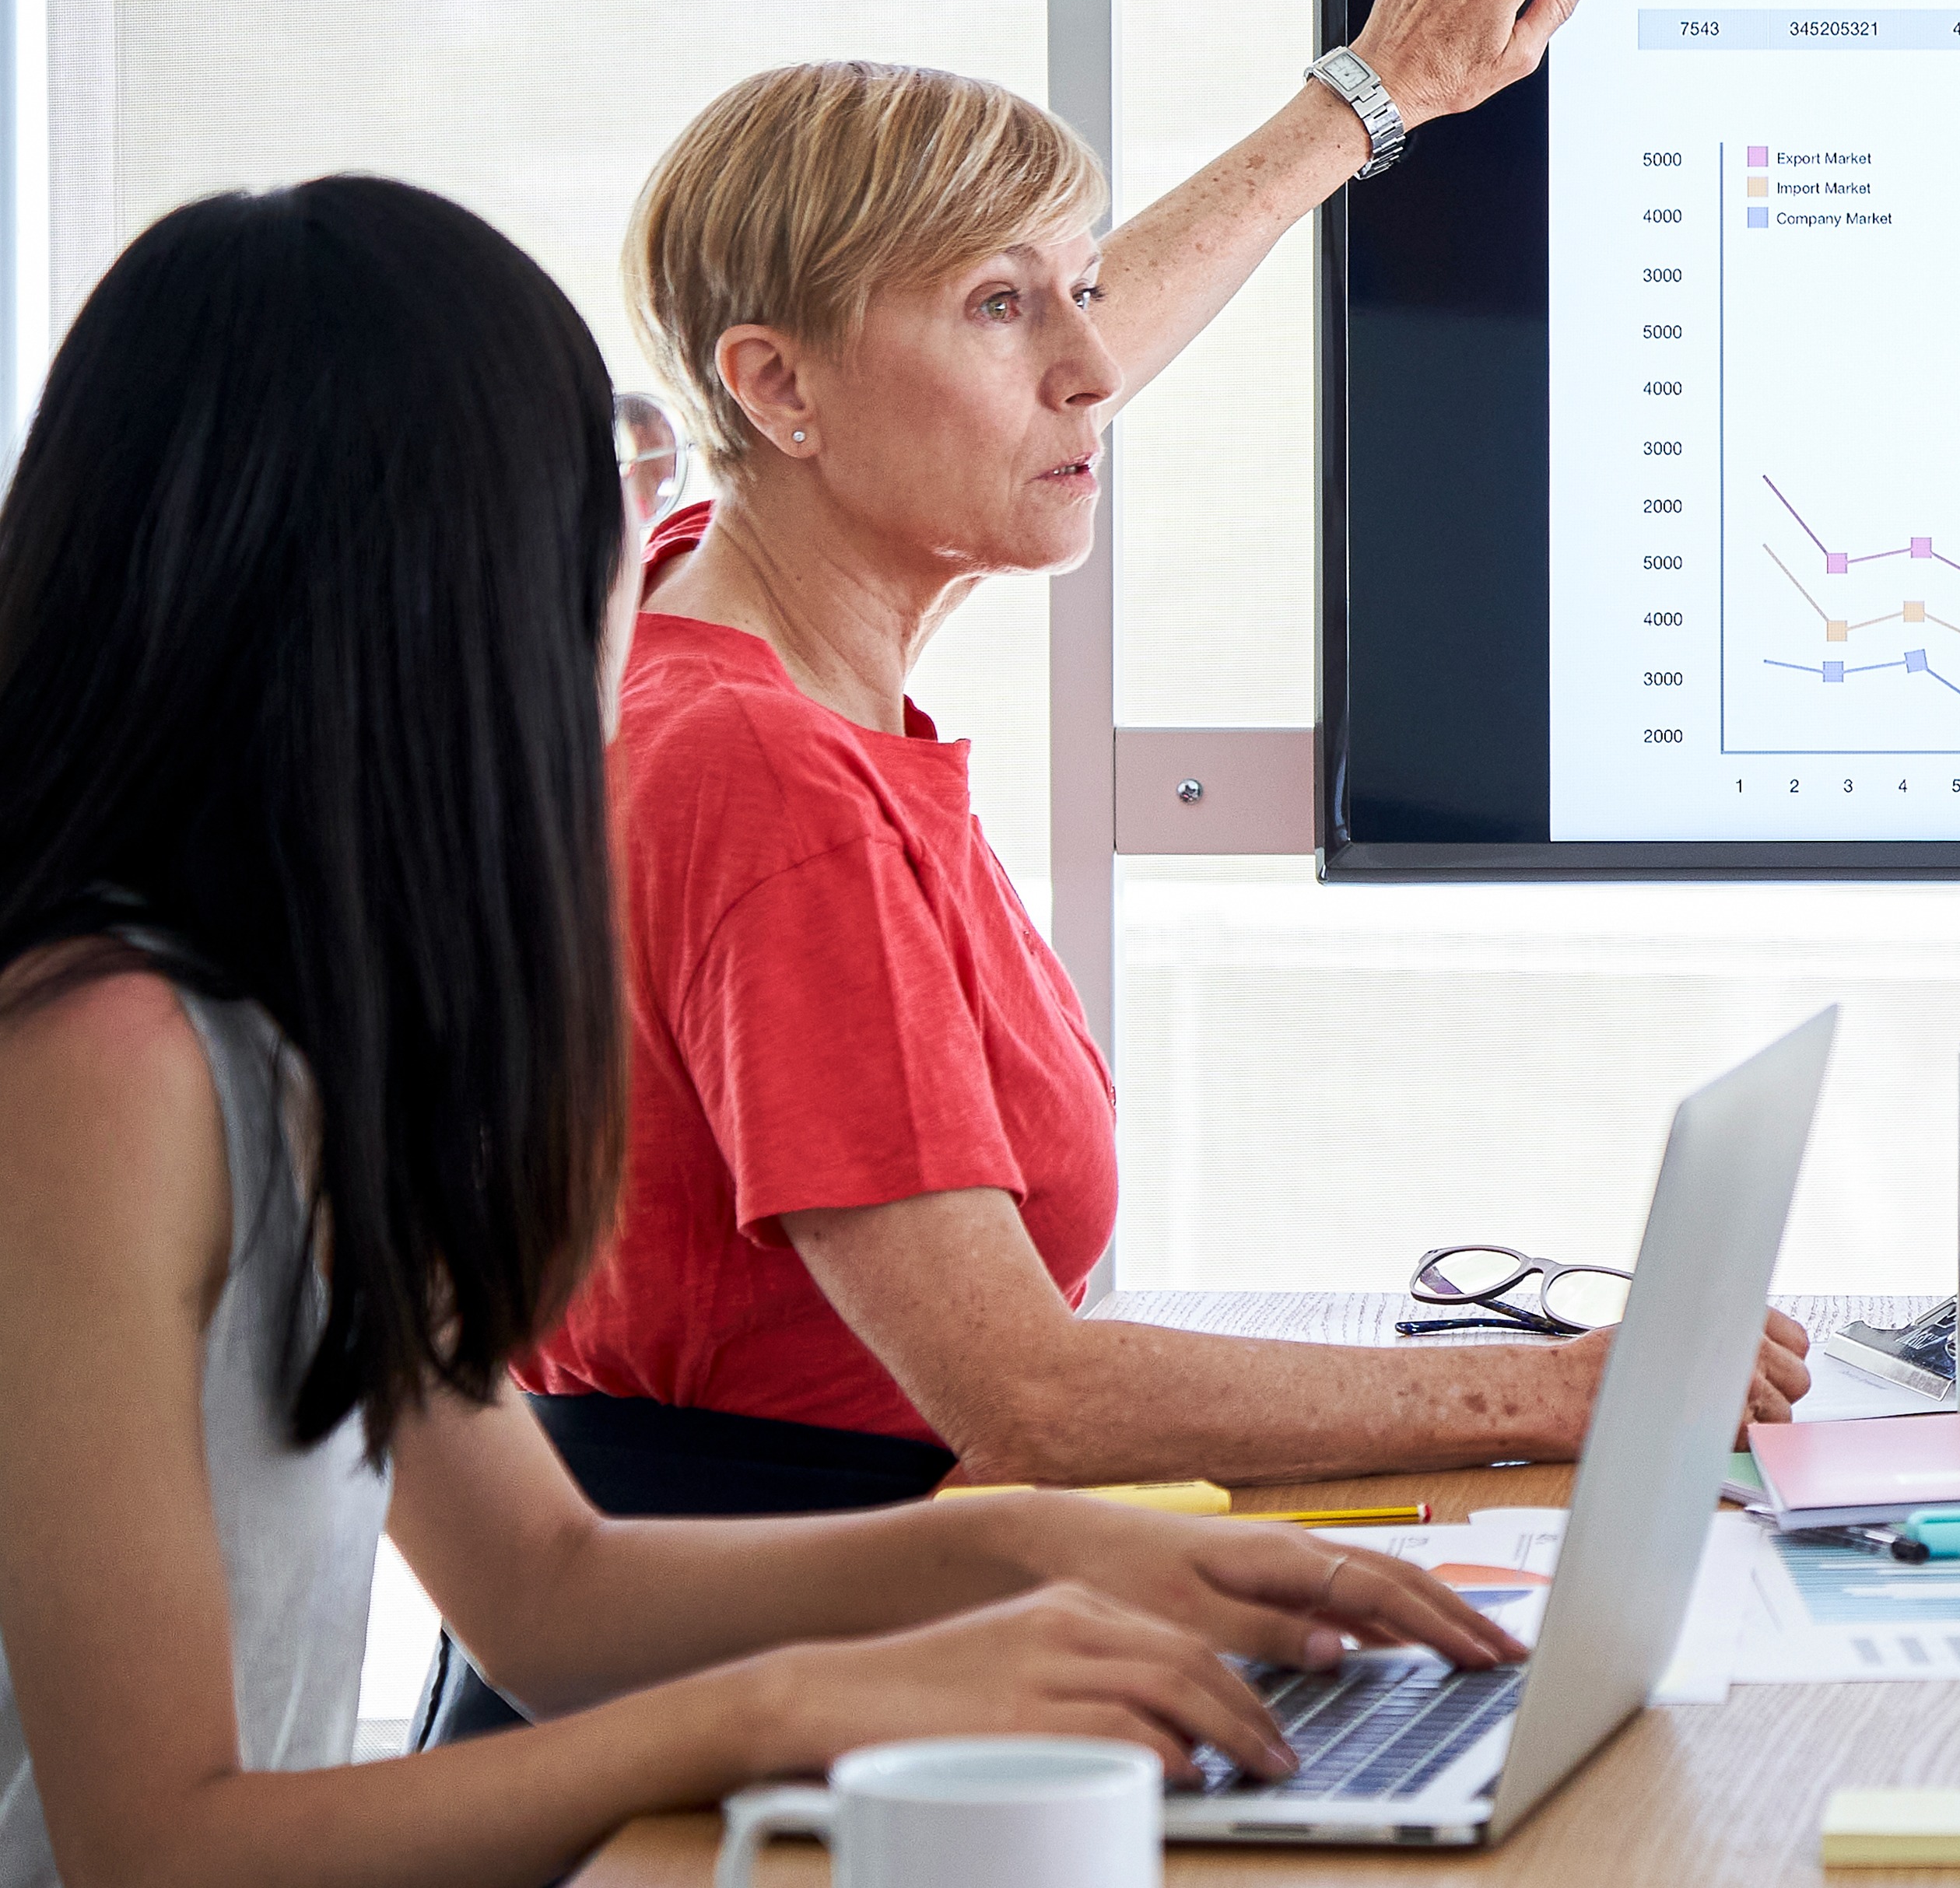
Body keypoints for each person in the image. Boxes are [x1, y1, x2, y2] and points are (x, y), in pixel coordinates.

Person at [0, 176, 1516, 1888]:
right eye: (594, 531)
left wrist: (1039, 1555)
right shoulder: (102, 1061)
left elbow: (550, 1589)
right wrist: (780, 1704)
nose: (622, 608)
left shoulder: (300, 1016)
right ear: (431, 602)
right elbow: (152, 1847)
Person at [517, 0, 1810, 1513]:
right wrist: (1575, 1388)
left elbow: (1087, 340)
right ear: (774, 386)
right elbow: (1032, 1397)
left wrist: (1380, 95)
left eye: (1071, 289)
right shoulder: (765, 777)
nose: (1090, 364)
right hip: (764, 1689)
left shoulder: (735, 602)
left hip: (864, 1607)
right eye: (1001, 304)